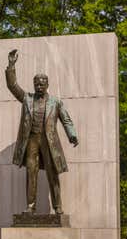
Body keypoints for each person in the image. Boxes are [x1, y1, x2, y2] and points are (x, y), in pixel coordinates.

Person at [5, 49, 78, 215]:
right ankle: (31, 207)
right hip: (31, 140)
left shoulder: (56, 102)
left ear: (47, 85)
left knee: (52, 173)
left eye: (42, 84)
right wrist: (11, 65)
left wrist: (71, 134)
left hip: (49, 142)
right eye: (36, 84)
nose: (39, 86)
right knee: (31, 172)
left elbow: (66, 120)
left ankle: (58, 207)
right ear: (33, 85)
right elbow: (12, 85)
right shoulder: (27, 99)